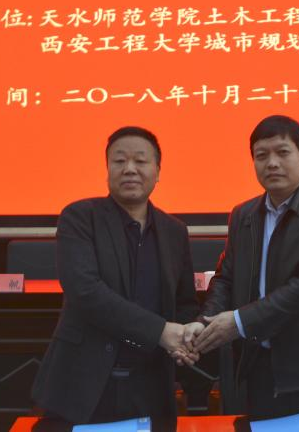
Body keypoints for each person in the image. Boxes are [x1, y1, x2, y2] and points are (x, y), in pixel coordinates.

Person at [192, 115, 299, 417]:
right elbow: (226, 278)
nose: (272, 163)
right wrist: (205, 324)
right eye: (261, 156)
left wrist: (240, 322)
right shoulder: (244, 215)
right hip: (261, 370)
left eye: (282, 152)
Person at [31, 126, 200, 424]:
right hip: (84, 384)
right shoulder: (80, 217)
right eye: (119, 161)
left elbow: (184, 302)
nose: (129, 169)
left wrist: (187, 338)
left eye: (140, 161)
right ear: (107, 169)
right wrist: (161, 332)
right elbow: (85, 292)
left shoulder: (174, 231)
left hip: (150, 385)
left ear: (158, 171)